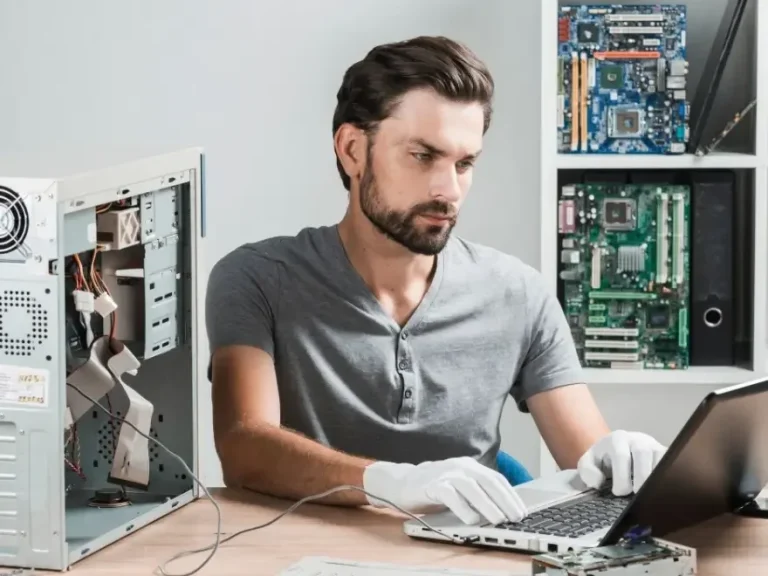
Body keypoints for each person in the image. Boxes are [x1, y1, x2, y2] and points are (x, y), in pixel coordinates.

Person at [205, 35, 666, 527]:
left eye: (464, 164)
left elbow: (586, 459)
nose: (449, 191)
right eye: (423, 156)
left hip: (473, 556)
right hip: (307, 551)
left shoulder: (517, 293)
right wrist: (389, 482)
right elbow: (244, 448)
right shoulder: (257, 279)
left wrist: (616, 457)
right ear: (353, 150)